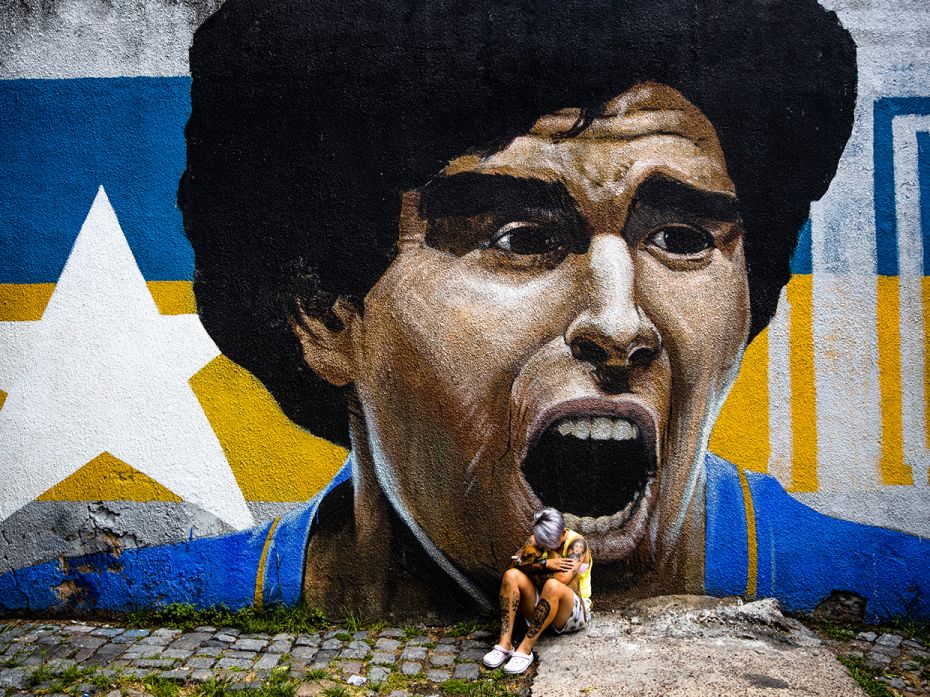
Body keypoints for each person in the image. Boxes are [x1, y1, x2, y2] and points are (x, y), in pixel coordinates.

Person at [2, 0, 929, 622]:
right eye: (522, 236)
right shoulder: (100, 609)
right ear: (322, 315)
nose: (619, 320)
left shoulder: (881, 590)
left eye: (684, 238)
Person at [483, 508, 592, 675]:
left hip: (573, 612)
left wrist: (533, 565)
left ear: (563, 533)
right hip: (543, 606)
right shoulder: (537, 537)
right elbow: (514, 565)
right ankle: (505, 644)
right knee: (511, 576)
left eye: (549, 545)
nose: (544, 547)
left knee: (553, 585)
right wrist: (545, 564)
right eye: (542, 544)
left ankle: (525, 650)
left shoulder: (577, 544)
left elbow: (562, 579)